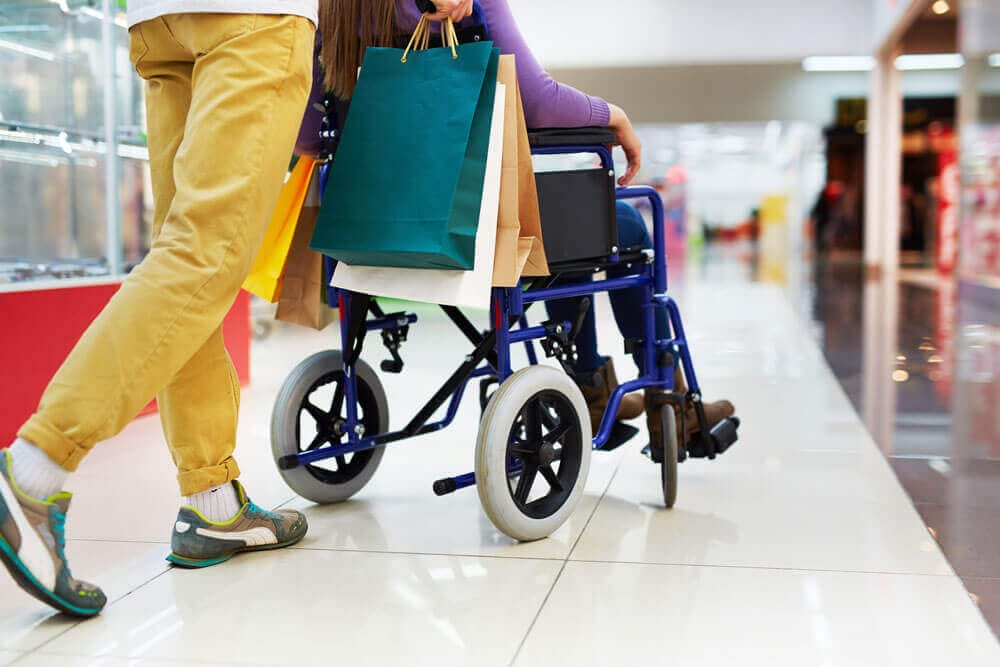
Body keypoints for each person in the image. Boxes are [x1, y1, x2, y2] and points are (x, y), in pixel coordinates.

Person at [0, 0, 327, 617]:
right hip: (252, 15)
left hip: (157, 23)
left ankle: (212, 503)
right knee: (204, 256)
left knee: (186, 256)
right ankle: (34, 468)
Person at [304, 0, 734, 451]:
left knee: (572, 226)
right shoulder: (462, 4)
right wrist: (615, 116)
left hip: (372, 233)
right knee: (620, 221)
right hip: (469, 223)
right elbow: (540, 105)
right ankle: (662, 396)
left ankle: (589, 379)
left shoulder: (331, 10)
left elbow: (311, 134)